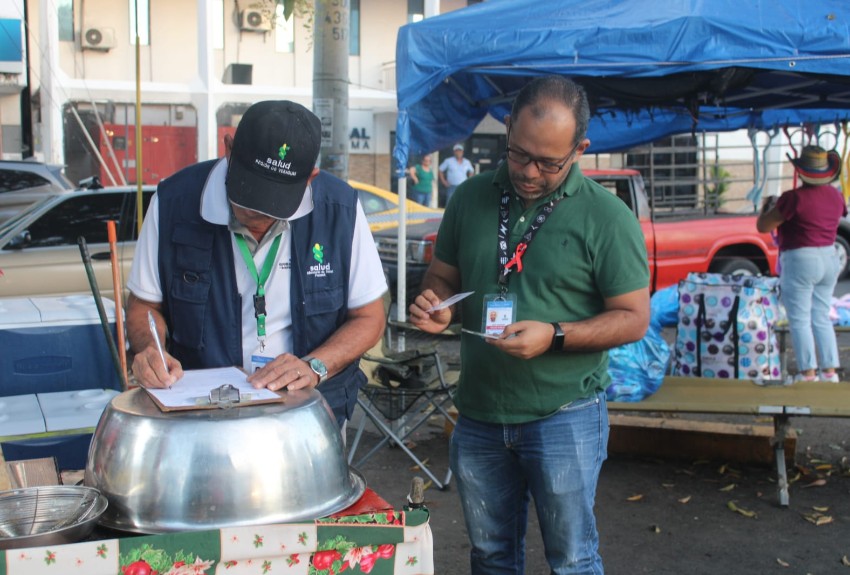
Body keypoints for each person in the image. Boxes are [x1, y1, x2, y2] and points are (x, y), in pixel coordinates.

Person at [409, 76, 650, 574]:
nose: (528, 171)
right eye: (518, 154)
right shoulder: (470, 197)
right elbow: (442, 276)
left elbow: (633, 320)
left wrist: (556, 335)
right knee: (491, 556)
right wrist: (438, 307)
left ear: (580, 149)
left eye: (548, 162)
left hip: (565, 413)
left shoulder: (607, 217)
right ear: (506, 130)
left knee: (572, 559)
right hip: (478, 414)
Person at [125, 100, 387, 425]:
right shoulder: (174, 203)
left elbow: (369, 317)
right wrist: (150, 351)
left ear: (310, 178)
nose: (258, 220)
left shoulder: (340, 209)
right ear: (229, 149)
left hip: (308, 414)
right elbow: (142, 306)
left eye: (275, 207)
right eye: (248, 201)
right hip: (199, 413)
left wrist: (315, 365)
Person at [757, 145, 846, 383]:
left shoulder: (792, 198)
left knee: (800, 318)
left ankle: (808, 374)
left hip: (800, 258)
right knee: (821, 316)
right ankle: (829, 372)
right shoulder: (836, 195)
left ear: (800, 170)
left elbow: (763, 226)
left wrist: (767, 209)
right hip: (830, 256)